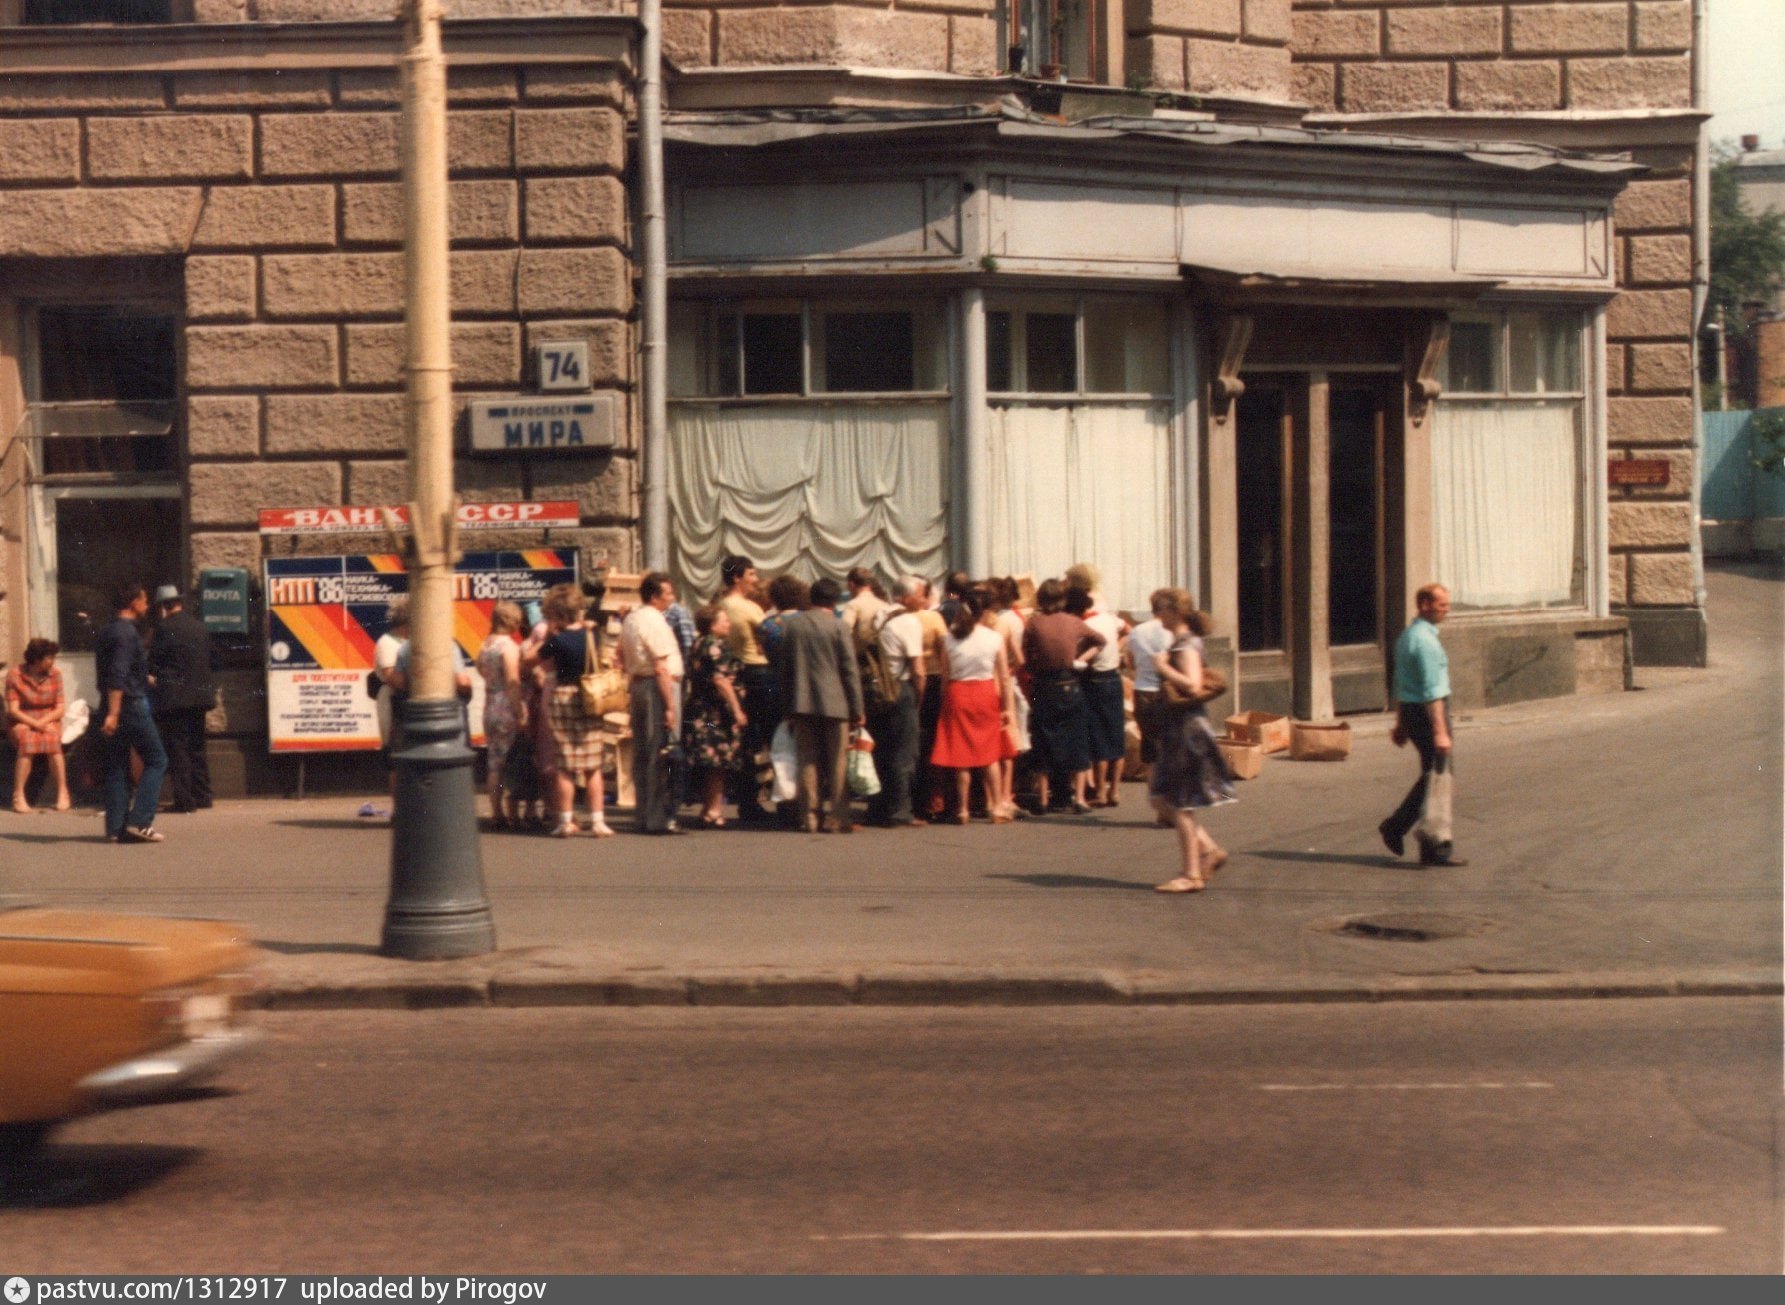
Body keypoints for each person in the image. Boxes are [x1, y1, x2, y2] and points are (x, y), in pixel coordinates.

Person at [1148, 589, 1236, 893]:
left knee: (1179, 803)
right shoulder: (1182, 642)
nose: (1155, 615)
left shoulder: (1186, 645)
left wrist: (1163, 668)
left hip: (1187, 729)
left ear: (1175, 611)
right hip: (1179, 728)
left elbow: (1192, 684)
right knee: (1160, 799)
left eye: (1158, 609)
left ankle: (1191, 874)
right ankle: (1209, 850)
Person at [1379, 583, 1467, 868]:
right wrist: (1441, 732)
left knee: (1434, 774)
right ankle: (1409, 831)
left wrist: (1401, 723)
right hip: (1430, 715)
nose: (1447, 609)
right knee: (1439, 778)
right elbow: (1432, 692)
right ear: (1424, 605)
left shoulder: (1408, 637)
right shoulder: (1425, 642)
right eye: (1442, 605)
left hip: (1414, 713)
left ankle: (1429, 845)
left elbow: (1402, 684)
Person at [774, 575, 864, 834]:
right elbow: (849, 670)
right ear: (834, 601)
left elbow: (785, 670)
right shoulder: (838, 627)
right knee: (837, 761)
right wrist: (858, 708)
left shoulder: (791, 626)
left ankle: (809, 817)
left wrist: (787, 706)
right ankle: (837, 817)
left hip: (801, 702)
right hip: (836, 703)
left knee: (807, 759)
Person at [526, 582, 614, 838]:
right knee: (592, 765)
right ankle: (598, 821)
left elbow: (530, 659)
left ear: (560, 615)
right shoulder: (592, 635)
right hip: (590, 697)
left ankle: (565, 821)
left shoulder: (558, 640)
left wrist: (551, 635)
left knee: (565, 765)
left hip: (563, 697)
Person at [931, 586, 1015, 824]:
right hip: (985, 692)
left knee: (961, 756)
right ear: (983, 612)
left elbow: (945, 677)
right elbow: (1005, 677)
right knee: (990, 753)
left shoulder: (948, 638)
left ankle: (962, 809)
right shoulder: (994, 638)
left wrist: (943, 702)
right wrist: (1007, 707)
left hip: (957, 693)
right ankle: (997, 806)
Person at [1022, 578, 1104, 814]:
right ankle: (1078, 797)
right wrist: (1081, 659)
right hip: (1070, 683)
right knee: (1077, 738)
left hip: (1044, 685)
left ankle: (1044, 799)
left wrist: (1034, 667)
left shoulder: (1034, 624)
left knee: (1044, 739)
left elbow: (1027, 654)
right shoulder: (1073, 621)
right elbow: (1100, 640)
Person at [95, 581, 168, 844]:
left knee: (117, 765)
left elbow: (117, 669)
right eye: (144, 599)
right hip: (128, 705)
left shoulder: (108, 631)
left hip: (110, 702)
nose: (147, 605)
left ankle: (116, 828)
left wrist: (143, 677)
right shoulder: (127, 633)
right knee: (157, 759)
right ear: (134, 602)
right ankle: (140, 821)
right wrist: (114, 713)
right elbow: (117, 674)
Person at [621, 571, 686, 835]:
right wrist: (670, 705)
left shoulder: (631, 618)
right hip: (656, 687)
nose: (671, 598)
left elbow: (620, 655)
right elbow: (661, 666)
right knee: (659, 750)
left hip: (638, 684)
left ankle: (644, 812)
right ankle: (656, 817)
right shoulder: (653, 621)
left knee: (644, 752)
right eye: (668, 593)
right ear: (654, 596)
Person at [146, 584, 217, 814]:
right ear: (180, 603)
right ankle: (203, 795)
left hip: (175, 698)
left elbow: (154, 662)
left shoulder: (163, 629)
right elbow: (212, 660)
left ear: (163, 607)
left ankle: (185, 800)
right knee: (197, 746)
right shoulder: (199, 627)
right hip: (199, 696)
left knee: (178, 748)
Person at [866, 575, 928, 827]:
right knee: (904, 752)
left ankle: (877, 806)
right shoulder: (908, 622)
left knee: (880, 749)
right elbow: (918, 668)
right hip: (899, 688)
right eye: (921, 594)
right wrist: (919, 697)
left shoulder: (881, 616)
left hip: (876, 689)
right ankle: (901, 809)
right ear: (906, 597)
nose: (924, 599)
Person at [719, 554, 776, 823]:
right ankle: (760, 800)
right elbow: (770, 638)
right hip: (757, 672)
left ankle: (747, 799)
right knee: (765, 736)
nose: (756, 580)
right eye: (751, 575)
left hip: (735, 673)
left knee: (744, 740)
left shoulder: (720, 605)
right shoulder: (750, 609)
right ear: (737, 578)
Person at [682, 603, 748, 828]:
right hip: (714, 713)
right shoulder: (714, 646)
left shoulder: (697, 643)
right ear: (712, 625)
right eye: (724, 620)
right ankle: (714, 809)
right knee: (718, 760)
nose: (728, 623)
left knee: (711, 762)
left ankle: (708, 807)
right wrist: (737, 709)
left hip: (700, 710)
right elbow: (720, 680)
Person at [1069, 586, 1129, 808]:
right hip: (1114, 677)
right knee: (1115, 733)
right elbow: (1128, 630)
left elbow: (1076, 652)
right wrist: (1118, 649)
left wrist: (1083, 658)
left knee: (1099, 737)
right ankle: (1115, 790)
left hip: (1094, 678)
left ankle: (1101, 791)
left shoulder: (1087, 626)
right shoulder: (1110, 619)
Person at [6, 637, 71, 814]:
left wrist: (42, 723)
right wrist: (35, 724)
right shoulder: (15, 675)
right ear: (36, 659)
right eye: (49, 658)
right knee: (27, 741)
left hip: (48, 717)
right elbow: (13, 710)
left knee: (52, 742)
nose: (52, 662)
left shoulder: (55, 674)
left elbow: (60, 708)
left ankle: (63, 792)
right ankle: (18, 795)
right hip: (23, 718)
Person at [477, 601, 527, 830]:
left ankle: (496, 812)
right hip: (505, 705)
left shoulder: (486, 645)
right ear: (512, 622)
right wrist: (520, 710)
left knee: (494, 763)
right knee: (515, 761)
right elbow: (513, 682)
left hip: (489, 704)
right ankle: (513, 813)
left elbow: (480, 670)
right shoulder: (508, 647)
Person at [987, 576, 1029, 814]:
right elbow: (1020, 658)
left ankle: (996, 796)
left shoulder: (990, 623)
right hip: (1008, 681)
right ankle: (1006, 794)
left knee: (996, 743)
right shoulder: (1014, 620)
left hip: (988, 683)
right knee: (1009, 741)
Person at [840, 566, 889, 643]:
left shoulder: (853, 605)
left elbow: (844, 632)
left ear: (851, 584)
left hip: (861, 652)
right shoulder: (884, 605)